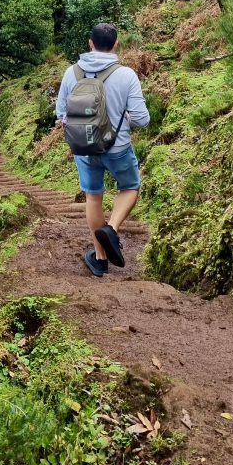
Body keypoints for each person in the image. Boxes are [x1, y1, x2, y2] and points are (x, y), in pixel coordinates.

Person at [55, 22, 150, 277]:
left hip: (84, 148)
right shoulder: (126, 75)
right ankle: (113, 227)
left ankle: (99, 259)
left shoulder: (71, 73)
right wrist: (126, 117)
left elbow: (61, 113)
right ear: (115, 45)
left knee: (93, 196)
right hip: (117, 147)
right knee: (130, 188)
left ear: (90, 43)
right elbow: (142, 119)